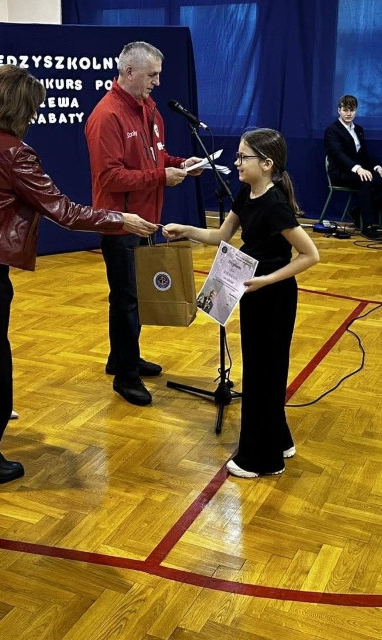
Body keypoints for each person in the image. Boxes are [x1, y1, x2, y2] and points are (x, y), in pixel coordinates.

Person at [0, 64, 154, 489]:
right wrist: (121, 219)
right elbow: (64, 211)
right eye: (33, 109)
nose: (35, 116)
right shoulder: (13, 152)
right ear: (20, 109)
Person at [163, 128, 319, 478]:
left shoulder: (275, 204)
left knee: (266, 373)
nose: (236, 162)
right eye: (237, 156)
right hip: (251, 292)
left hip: (273, 296)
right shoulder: (246, 193)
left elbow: (310, 254)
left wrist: (267, 279)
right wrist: (186, 229)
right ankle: (279, 439)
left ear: (266, 164)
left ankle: (262, 459)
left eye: (242, 157)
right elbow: (221, 235)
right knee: (260, 370)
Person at [85, 41, 204, 407]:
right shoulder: (106, 115)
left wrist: (181, 164)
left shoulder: (150, 109)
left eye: (158, 75)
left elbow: (155, 157)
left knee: (135, 297)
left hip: (146, 221)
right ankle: (125, 377)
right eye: (152, 75)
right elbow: (109, 177)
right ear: (129, 72)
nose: (157, 82)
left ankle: (123, 357)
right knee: (126, 300)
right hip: (121, 224)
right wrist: (160, 177)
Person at [324, 94, 382, 237]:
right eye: (345, 110)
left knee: (379, 180)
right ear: (339, 110)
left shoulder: (358, 129)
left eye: (352, 110)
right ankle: (367, 226)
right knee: (365, 181)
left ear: (356, 111)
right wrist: (358, 168)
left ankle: (358, 212)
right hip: (340, 172)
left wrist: (376, 167)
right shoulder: (332, 130)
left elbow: (364, 155)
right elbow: (338, 154)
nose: (349, 113)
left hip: (357, 171)